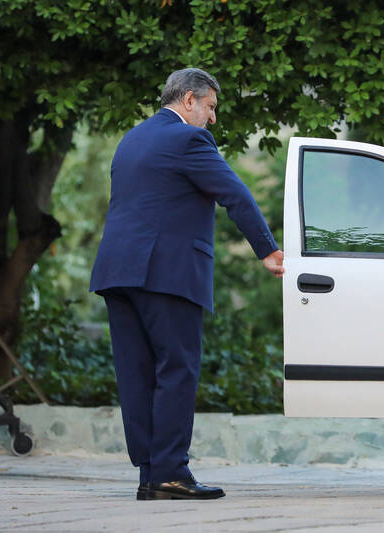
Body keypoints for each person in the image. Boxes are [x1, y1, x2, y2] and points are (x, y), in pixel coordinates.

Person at [90, 68, 284, 501]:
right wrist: (268, 250)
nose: (213, 119)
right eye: (211, 107)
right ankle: (171, 472)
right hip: (167, 273)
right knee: (177, 370)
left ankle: (150, 473)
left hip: (117, 273)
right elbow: (234, 192)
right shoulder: (188, 139)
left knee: (136, 375)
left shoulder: (132, 139)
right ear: (189, 100)